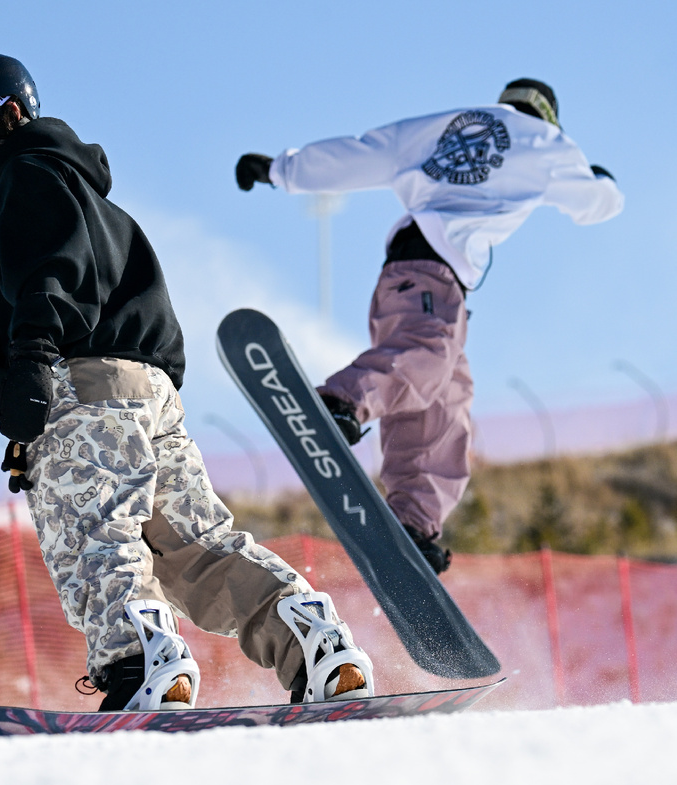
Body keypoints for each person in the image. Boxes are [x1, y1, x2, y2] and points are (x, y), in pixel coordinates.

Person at [0, 53, 373, 711]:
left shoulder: (26, 176)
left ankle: (140, 669)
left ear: (8, 112)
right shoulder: (95, 201)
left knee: (91, 535)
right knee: (200, 549)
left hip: (80, 383)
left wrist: (33, 368)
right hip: (150, 397)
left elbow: (49, 274)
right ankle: (317, 645)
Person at [236, 79, 624, 574]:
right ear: (548, 114)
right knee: (428, 354)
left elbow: (365, 152)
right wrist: (603, 183)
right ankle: (339, 402)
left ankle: (413, 521)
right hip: (431, 279)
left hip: (414, 276)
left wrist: (281, 169)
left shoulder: (446, 126)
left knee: (448, 400)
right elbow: (593, 205)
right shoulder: (548, 144)